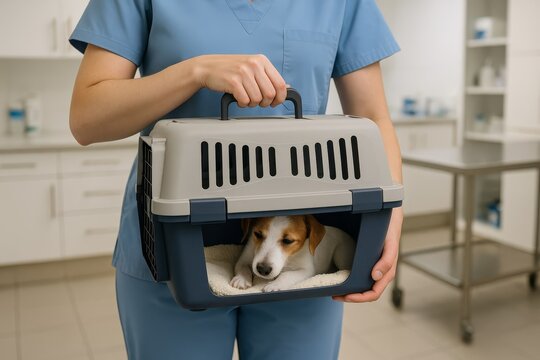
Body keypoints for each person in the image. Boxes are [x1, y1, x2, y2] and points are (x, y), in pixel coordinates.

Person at [69, 0, 403, 359]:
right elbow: (87, 118)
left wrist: (392, 217)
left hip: (297, 258)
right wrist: (195, 72)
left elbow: (372, 116)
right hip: (173, 248)